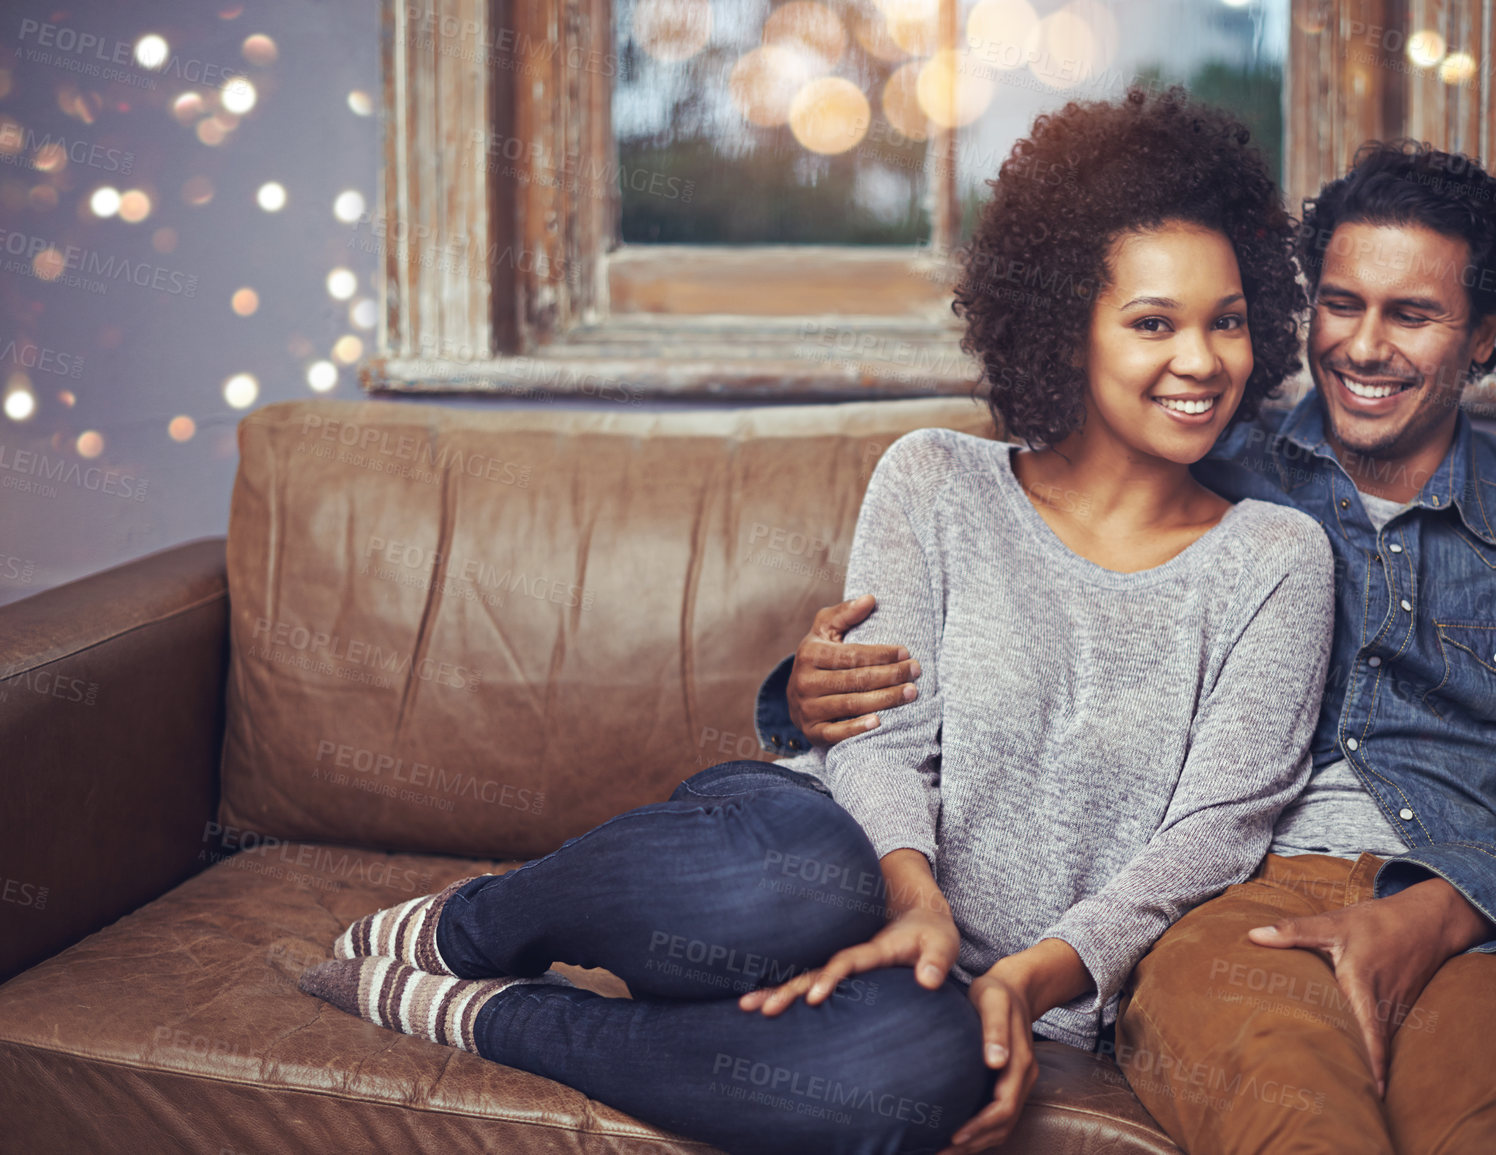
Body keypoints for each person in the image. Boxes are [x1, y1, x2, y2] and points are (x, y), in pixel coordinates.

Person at [298, 87, 1336, 1155]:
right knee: (787, 888)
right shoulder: (935, 481)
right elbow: (878, 735)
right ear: (1066, 324)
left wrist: (1025, 984)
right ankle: (469, 928)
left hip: (981, 983)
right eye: (1153, 322)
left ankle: (494, 1016)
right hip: (823, 860)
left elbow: (1213, 834)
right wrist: (914, 897)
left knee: (919, 1075)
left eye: (1229, 320)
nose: (1203, 360)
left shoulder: (1275, 561)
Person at [766, 140, 1496, 1154]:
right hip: (1237, 905)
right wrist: (808, 694)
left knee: (1492, 1131)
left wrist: (1441, 913)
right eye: (1341, 304)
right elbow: (1029, 578)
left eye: (1412, 315)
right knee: (1298, 1128)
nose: (1365, 348)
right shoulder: (1206, 452)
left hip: (1471, 909)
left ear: (1485, 339)